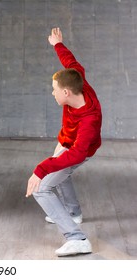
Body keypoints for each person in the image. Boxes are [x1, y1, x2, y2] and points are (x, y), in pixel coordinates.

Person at [26, 28, 102, 256]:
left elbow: (77, 154)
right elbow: (71, 62)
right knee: (59, 172)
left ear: (67, 92)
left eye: (55, 90)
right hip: (68, 142)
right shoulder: (78, 81)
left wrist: (41, 169)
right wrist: (57, 44)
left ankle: (77, 238)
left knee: (42, 187)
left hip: (80, 149)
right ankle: (73, 213)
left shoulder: (89, 119)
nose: (52, 94)